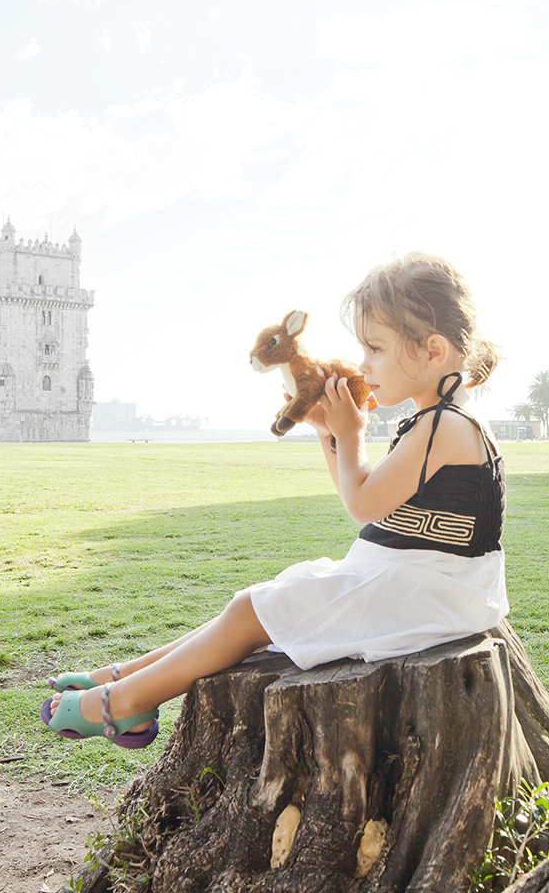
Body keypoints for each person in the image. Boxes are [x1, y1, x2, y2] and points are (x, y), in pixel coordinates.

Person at [39, 252, 507, 746]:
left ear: (433, 352)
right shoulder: (440, 418)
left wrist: (351, 437)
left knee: (255, 613)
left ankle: (128, 701)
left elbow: (364, 505)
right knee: (252, 606)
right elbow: (365, 490)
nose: (364, 364)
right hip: (420, 577)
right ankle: (124, 678)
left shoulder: (446, 426)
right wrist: (332, 433)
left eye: (375, 349)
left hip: (435, 593)